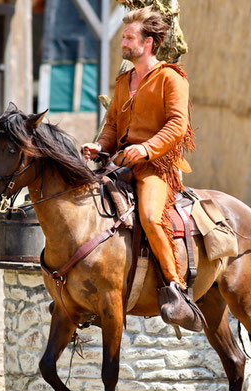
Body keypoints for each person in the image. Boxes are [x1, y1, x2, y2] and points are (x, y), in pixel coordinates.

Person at [81, 7, 201, 331]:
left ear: (148, 43)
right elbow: (111, 126)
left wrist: (146, 149)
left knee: (149, 217)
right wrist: (100, 146)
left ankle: (175, 289)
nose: (123, 41)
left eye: (129, 37)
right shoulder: (124, 80)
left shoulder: (171, 78)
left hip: (157, 167)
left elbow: (178, 125)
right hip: (119, 163)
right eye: (124, 36)